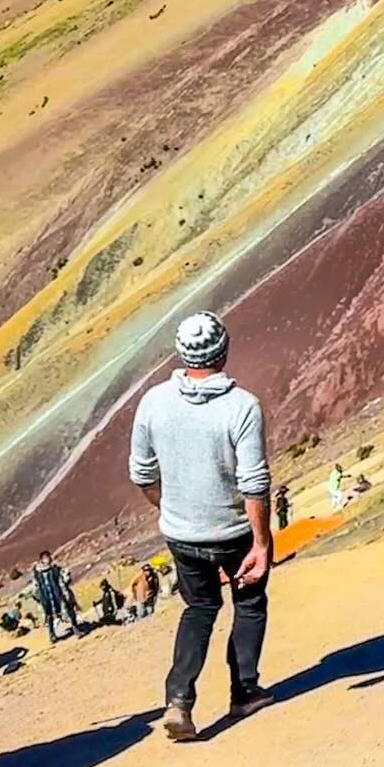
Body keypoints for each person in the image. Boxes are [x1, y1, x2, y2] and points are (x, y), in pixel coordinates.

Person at [128, 311, 273, 741]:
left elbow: (141, 472)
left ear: (180, 352)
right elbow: (254, 482)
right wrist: (261, 543)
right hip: (233, 531)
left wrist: (168, 506)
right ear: (224, 350)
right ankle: (244, 691)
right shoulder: (242, 406)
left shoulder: (153, 402)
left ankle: (179, 701)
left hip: (182, 534)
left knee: (200, 609)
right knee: (248, 604)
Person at [32, 551, 78, 642]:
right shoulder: (37, 573)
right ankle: (52, 635)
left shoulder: (55, 569)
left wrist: (66, 586)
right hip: (46, 596)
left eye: (49, 557)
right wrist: (38, 597)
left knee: (68, 610)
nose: (50, 559)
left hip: (58, 594)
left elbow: (62, 580)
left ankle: (75, 628)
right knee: (48, 616)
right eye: (47, 557)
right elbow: (35, 586)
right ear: (42, 560)